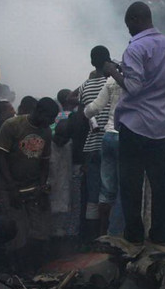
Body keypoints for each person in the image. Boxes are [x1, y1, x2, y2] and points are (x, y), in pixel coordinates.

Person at [104, 1, 165, 245]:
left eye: (129, 24)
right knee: (159, 184)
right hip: (160, 126)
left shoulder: (135, 48)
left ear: (136, 19)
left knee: (130, 183)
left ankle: (134, 235)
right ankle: (159, 235)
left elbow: (134, 87)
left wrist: (113, 71)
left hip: (135, 124)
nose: (128, 30)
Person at [0, 97, 57, 274]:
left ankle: (33, 269)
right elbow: (0, 157)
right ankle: (13, 270)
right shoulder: (12, 125)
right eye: (50, 118)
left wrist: (42, 188)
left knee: (39, 231)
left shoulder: (45, 132)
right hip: (11, 188)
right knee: (16, 231)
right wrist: (11, 188)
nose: (52, 122)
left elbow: (44, 162)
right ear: (39, 111)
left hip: (34, 188)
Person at [77, 46, 112, 239]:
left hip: (91, 146)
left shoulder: (85, 86)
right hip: (111, 141)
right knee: (109, 193)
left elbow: (81, 112)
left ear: (92, 63)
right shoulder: (114, 81)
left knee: (92, 195)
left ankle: (90, 238)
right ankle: (105, 236)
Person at [86, 74, 123, 237]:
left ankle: (103, 234)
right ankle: (117, 233)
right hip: (126, 136)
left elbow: (94, 108)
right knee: (124, 188)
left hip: (108, 137)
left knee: (106, 189)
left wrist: (86, 113)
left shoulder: (112, 81)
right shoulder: (139, 79)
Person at [50, 89, 84, 242]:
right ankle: (69, 233)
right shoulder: (75, 118)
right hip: (73, 162)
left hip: (55, 163)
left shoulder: (55, 117)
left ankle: (53, 231)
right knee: (73, 199)